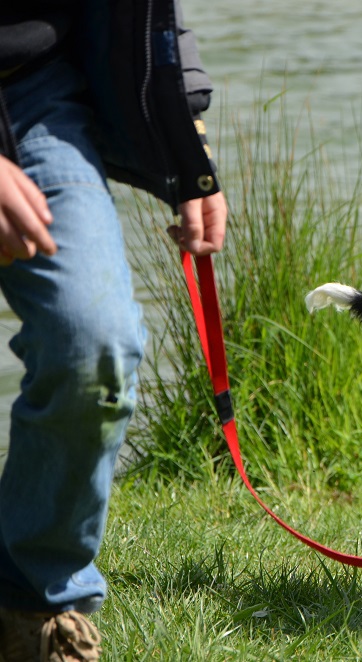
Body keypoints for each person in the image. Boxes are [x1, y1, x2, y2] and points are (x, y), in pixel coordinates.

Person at [0, 1, 227, 659]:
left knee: (91, 342)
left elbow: (143, 12)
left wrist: (185, 139)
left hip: (34, 96)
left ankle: (31, 602)